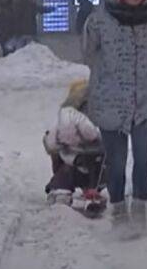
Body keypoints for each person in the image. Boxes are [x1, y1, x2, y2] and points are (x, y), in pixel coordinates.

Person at [82, 0, 147, 239]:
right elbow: (88, 54)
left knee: (144, 157)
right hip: (110, 102)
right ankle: (119, 212)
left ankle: (140, 211)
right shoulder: (99, 19)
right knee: (117, 162)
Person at [42, 79, 106, 211]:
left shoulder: (66, 117)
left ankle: (61, 190)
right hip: (99, 167)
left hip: (75, 165)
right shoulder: (100, 115)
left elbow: (51, 143)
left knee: (64, 164)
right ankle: (92, 190)